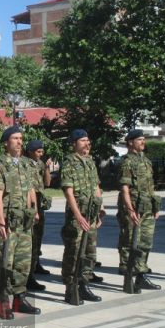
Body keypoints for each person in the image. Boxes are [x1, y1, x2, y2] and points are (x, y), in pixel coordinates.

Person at [0, 126, 41, 319]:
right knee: (6, 263)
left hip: (24, 221)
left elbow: (30, 189)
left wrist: (34, 210)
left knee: (23, 262)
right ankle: (3, 301)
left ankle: (19, 298)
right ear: (6, 143)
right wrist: (1, 221)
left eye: (21, 138)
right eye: (15, 138)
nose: (19, 142)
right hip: (9, 221)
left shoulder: (26, 164)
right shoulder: (0, 164)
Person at [60, 129, 106, 305]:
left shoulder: (90, 162)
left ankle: (84, 285)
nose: (87, 143)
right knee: (74, 252)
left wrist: (100, 209)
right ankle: (70, 287)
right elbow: (68, 192)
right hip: (77, 217)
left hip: (91, 215)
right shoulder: (70, 163)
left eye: (88, 140)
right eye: (82, 141)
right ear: (74, 144)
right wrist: (78, 216)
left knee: (89, 253)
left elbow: (96, 186)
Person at [117, 129, 162, 293]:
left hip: (147, 208)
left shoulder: (146, 161)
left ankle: (141, 275)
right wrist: (129, 209)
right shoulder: (127, 162)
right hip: (134, 209)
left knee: (145, 243)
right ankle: (128, 277)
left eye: (144, 139)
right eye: (140, 140)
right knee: (130, 243)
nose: (143, 142)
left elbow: (151, 187)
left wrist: (155, 206)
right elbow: (124, 188)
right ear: (130, 142)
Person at [25, 139, 53, 291]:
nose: (41, 154)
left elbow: (47, 183)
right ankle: (28, 275)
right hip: (30, 206)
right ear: (30, 151)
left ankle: (35, 264)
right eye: (38, 151)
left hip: (40, 206)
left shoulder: (41, 164)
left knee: (38, 238)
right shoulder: (25, 164)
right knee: (31, 240)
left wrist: (47, 168)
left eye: (42, 151)